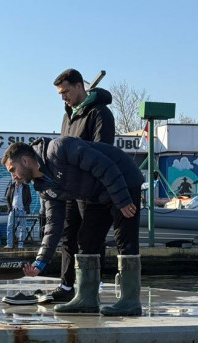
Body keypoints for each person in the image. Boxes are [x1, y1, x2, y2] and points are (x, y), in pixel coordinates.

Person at [0, 136, 144, 316]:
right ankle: (87, 299)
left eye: (12, 170)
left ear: (25, 160)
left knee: (125, 238)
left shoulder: (59, 149)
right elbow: (53, 224)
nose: (13, 176)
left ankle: (130, 302)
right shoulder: (43, 187)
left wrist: (122, 199)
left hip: (123, 179)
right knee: (86, 239)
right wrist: (40, 262)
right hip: (97, 194)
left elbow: (103, 165)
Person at [38, 68, 116, 305]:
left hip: (92, 189)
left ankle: (90, 287)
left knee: (90, 238)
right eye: (60, 94)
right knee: (68, 235)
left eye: (66, 92)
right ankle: (66, 285)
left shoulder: (100, 114)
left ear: (80, 86)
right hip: (70, 188)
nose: (63, 97)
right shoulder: (68, 116)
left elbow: (103, 151)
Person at [4, 177, 31, 248]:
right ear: (15, 179)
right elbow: (7, 198)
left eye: (21, 179)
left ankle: (20, 245)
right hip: (13, 209)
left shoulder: (26, 187)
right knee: (10, 227)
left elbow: (29, 199)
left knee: (23, 227)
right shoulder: (11, 186)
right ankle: (9, 244)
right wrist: (9, 208)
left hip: (22, 209)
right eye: (18, 179)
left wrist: (25, 207)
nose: (20, 180)